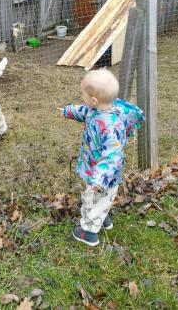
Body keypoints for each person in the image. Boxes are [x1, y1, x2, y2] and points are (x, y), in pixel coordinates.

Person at [58, 69, 145, 246]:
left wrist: (98, 179)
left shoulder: (110, 126)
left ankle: (88, 232)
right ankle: (102, 217)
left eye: (84, 95)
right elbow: (83, 111)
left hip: (103, 175)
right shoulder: (96, 110)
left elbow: (113, 156)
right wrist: (68, 111)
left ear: (94, 100)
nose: (82, 98)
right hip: (98, 169)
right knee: (103, 199)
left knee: (91, 199)